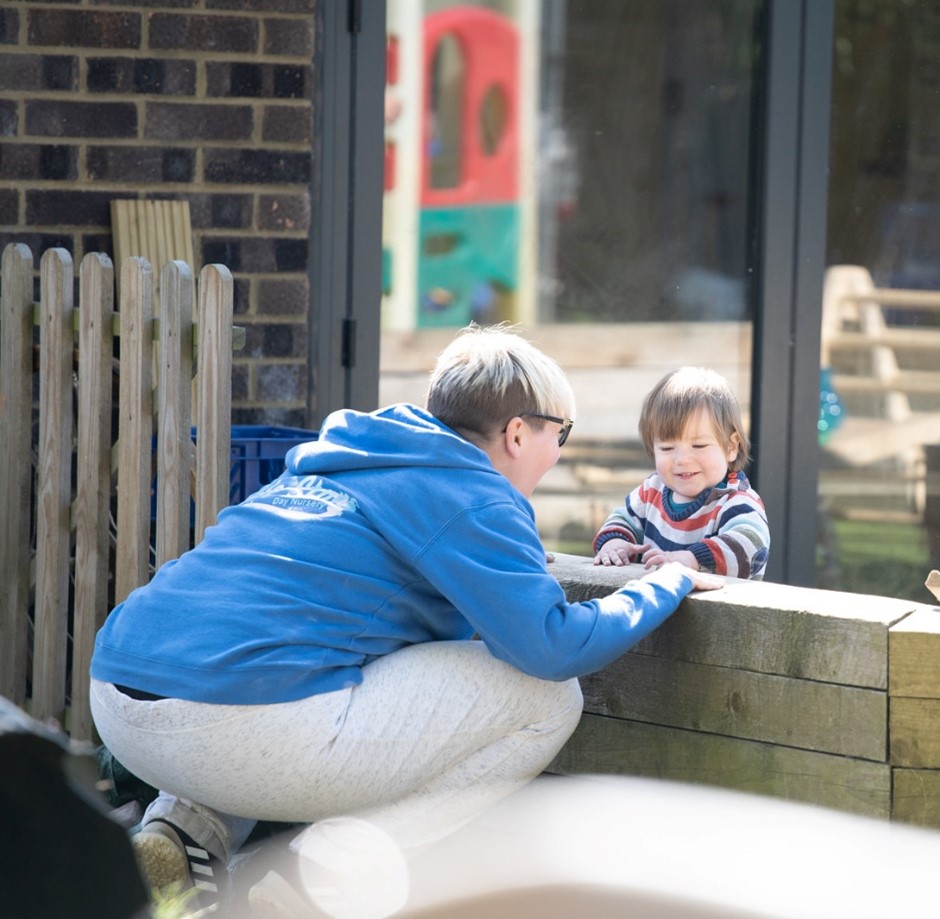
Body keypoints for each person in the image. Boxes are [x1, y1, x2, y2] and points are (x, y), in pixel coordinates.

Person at [88, 324, 724, 915]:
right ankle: (322, 870)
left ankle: (179, 836)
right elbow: (551, 645)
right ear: (519, 433)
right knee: (549, 699)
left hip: (122, 698)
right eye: (563, 432)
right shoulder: (473, 494)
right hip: (233, 727)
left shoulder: (349, 457)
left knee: (297, 657)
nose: (558, 452)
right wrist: (664, 581)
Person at [592, 366, 769, 580]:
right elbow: (623, 518)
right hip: (661, 608)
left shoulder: (735, 501)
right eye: (667, 448)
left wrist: (692, 559)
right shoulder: (652, 491)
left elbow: (751, 547)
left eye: (699, 446)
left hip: (720, 611)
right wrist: (615, 542)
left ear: (731, 447)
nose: (682, 459)